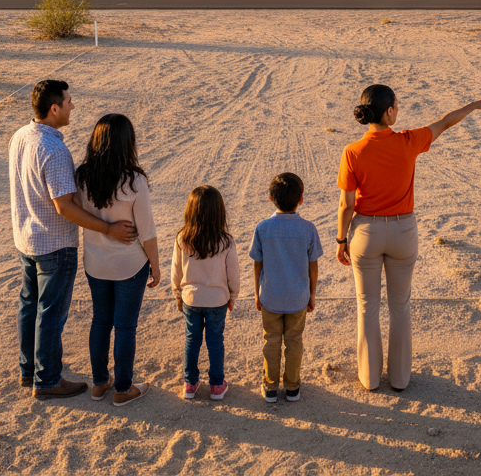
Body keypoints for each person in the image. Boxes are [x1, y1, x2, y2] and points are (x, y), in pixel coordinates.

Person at [336, 84, 481, 392]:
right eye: (396, 105)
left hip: (366, 233)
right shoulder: (409, 141)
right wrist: (472, 105)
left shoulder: (352, 151)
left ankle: (369, 379)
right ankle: (400, 379)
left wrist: (341, 240)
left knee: (367, 307)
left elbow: (346, 205)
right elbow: (445, 122)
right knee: (400, 306)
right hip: (402, 232)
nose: (398, 109)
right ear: (388, 112)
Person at [10, 80, 138, 401]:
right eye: (68, 102)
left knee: (29, 306)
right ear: (54, 109)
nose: (72, 106)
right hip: (54, 245)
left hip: (26, 239)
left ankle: (29, 370)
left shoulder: (20, 136)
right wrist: (107, 228)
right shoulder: (55, 151)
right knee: (50, 313)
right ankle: (47, 380)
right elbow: (65, 207)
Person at [75, 113, 160, 406]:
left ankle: (100, 383)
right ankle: (123, 388)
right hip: (130, 265)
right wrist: (156, 266)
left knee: (100, 321)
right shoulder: (134, 181)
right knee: (125, 326)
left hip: (95, 263)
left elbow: (78, 214)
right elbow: (147, 232)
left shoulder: (82, 176)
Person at [250, 173, 322, 403]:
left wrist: (257, 293)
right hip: (297, 298)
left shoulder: (263, 228)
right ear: (301, 199)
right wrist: (312, 294)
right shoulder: (308, 229)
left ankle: (270, 386)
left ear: (270, 198)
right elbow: (313, 266)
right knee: (294, 341)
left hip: (270, 296)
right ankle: (292, 387)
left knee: (271, 341)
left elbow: (257, 264)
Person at [172, 185, 241, 401]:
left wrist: (177, 294)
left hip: (191, 299)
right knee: (215, 341)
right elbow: (233, 274)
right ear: (219, 212)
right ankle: (217, 385)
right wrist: (232, 296)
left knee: (192, 340)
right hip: (217, 300)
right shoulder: (226, 241)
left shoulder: (182, 238)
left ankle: (190, 384)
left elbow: (176, 270)